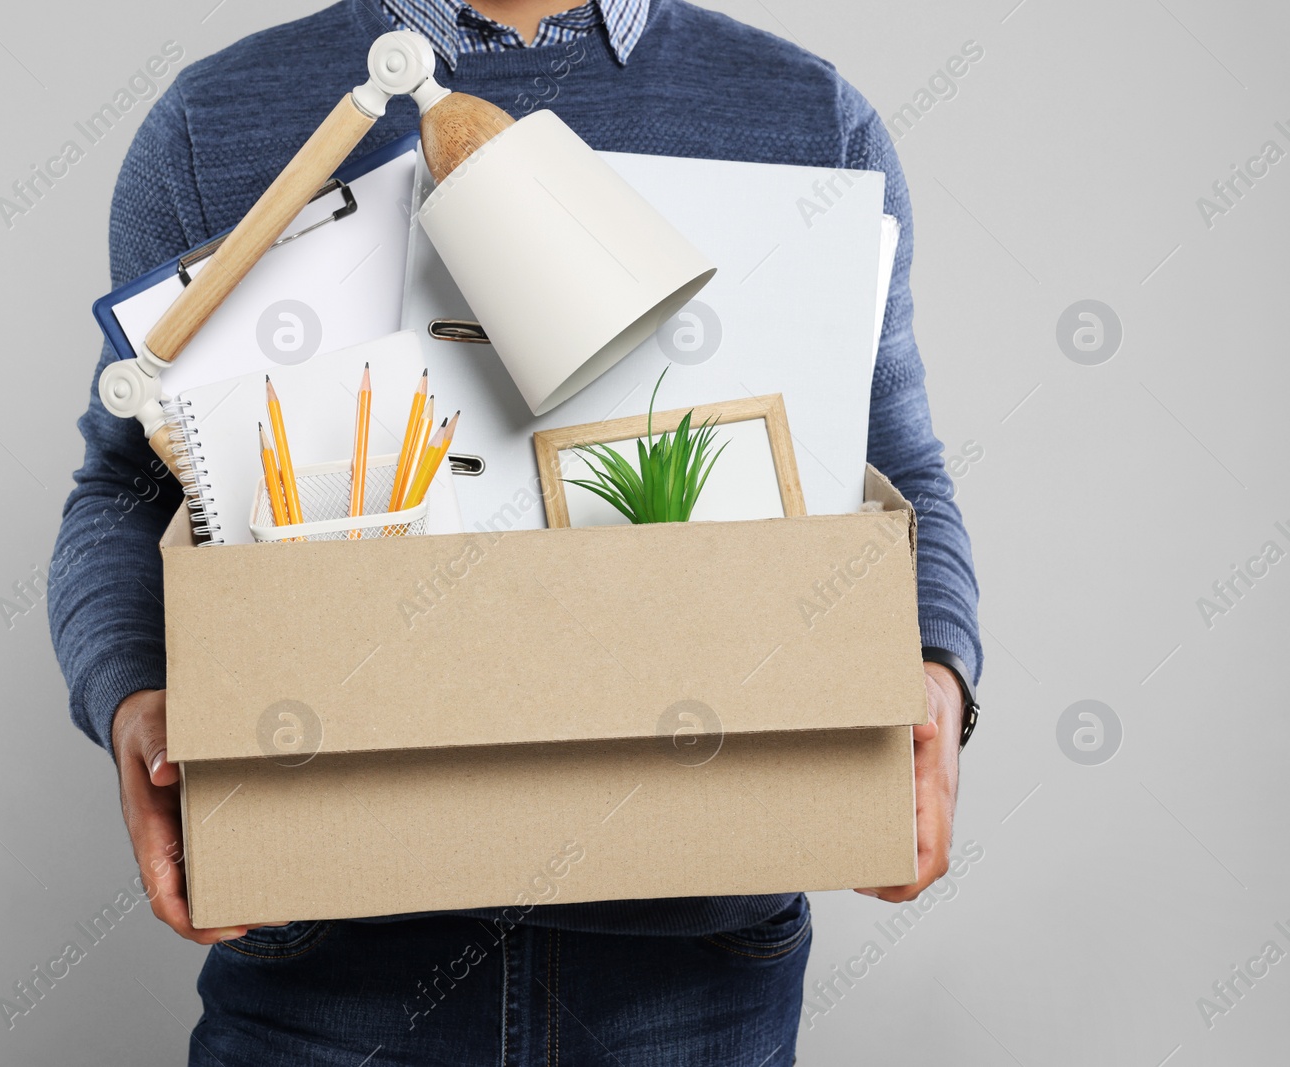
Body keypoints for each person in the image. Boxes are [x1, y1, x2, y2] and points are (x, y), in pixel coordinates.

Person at [49, 1, 982, 1063]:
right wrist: (130, 694)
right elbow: (125, 491)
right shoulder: (210, 125)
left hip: (695, 957)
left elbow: (900, 476)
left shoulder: (809, 117)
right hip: (325, 960)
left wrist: (937, 677)